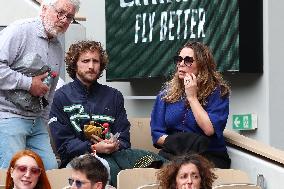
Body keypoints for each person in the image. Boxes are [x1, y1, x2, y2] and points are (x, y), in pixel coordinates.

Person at [49, 40, 165, 186]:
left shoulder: (114, 96)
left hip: (115, 158)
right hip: (77, 162)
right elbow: (64, 146)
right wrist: (93, 148)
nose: (91, 66)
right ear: (74, 64)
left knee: (159, 166)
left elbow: (124, 139)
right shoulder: (61, 97)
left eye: (95, 61)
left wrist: (115, 145)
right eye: (85, 61)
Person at [0, 0, 81, 170]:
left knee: (50, 170)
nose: (64, 20)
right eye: (60, 13)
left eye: (70, 17)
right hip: (8, 116)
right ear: (44, 9)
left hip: (37, 122)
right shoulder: (19, 30)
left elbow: (49, 93)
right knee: (12, 173)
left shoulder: (58, 48)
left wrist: (43, 122)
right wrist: (29, 84)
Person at [150, 41, 231, 168]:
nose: (181, 64)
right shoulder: (166, 94)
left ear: (202, 65)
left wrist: (192, 97)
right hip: (174, 155)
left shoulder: (217, 92)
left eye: (188, 60)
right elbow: (157, 135)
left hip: (207, 156)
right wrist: (181, 142)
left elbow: (209, 130)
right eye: (179, 59)